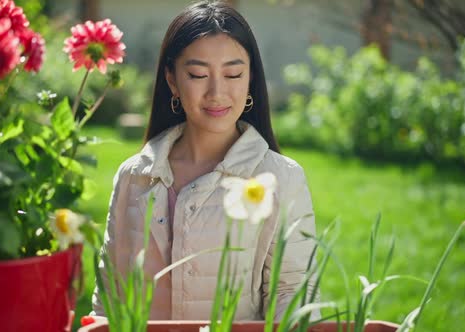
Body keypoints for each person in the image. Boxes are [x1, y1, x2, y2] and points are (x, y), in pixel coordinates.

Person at [91, 0, 319, 321]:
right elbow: (109, 296)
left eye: (233, 74)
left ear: (250, 77)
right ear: (172, 80)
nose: (216, 92)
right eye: (198, 74)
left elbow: (293, 295)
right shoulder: (134, 175)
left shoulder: (281, 178)